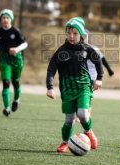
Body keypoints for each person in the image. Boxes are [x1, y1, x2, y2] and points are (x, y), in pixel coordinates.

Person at [46, 17, 104, 153]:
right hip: (67, 89)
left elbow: (98, 62)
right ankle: (65, 143)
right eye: (69, 33)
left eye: (75, 33)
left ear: (81, 34)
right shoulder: (61, 51)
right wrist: (50, 87)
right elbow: (51, 69)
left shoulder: (86, 49)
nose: (71, 36)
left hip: (84, 86)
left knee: (83, 114)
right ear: (66, 33)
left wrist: (99, 78)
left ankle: (88, 131)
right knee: (69, 120)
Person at [0, 9, 28, 117]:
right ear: (1, 20)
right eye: (3, 18)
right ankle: (6, 108)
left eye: (7, 18)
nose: (5, 20)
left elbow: (25, 44)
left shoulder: (16, 31)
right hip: (4, 59)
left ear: (11, 19)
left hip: (17, 60)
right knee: (6, 82)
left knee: (15, 82)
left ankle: (16, 100)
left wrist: (17, 49)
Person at [75, 28, 114, 122]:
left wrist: (109, 70)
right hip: (80, 76)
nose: (81, 38)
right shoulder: (75, 49)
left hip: (92, 77)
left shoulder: (93, 48)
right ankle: (81, 112)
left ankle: (85, 111)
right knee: (77, 95)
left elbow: (102, 59)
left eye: (83, 36)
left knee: (85, 94)